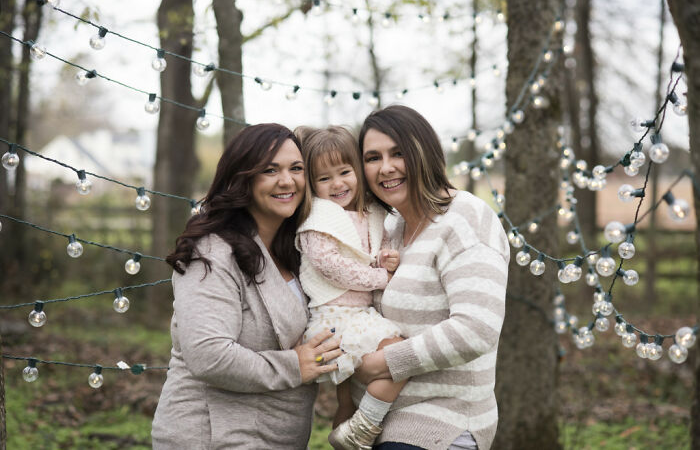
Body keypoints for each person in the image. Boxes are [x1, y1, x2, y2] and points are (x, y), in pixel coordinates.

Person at [151, 123, 343, 449]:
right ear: (244, 177)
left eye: (296, 169)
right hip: (212, 435)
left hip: (277, 435)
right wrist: (295, 366)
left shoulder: (296, 251)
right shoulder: (212, 251)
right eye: (270, 170)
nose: (287, 180)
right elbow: (209, 355)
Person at [354, 105, 509, 450]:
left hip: (441, 425)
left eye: (398, 153)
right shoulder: (389, 229)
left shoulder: (466, 218)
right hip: (378, 423)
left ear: (425, 152)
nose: (386, 167)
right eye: (372, 157)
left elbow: (475, 329)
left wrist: (382, 364)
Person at [293, 126, 406, 449]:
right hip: (336, 316)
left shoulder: (369, 214)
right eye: (324, 178)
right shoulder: (318, 219)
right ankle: (363, 427)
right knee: (399, 355)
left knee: (347, 397)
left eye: (344, 172)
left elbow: (376, 251)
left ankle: (347, 434)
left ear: (357, 170)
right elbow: (330, 265)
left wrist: (387, 258)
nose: (338, 183)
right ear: (312, 185)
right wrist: (379, 278)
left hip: (360, 313)